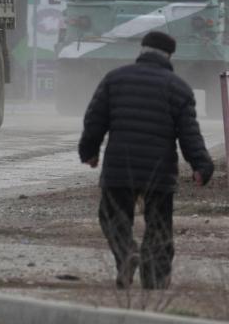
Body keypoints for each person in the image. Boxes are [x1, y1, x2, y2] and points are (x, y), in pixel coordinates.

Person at [79, 31, 214, 290]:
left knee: (113, 218)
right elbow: (190, 134)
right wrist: (201, 166)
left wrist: (89, 152)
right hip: (159, 172)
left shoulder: (114, 79)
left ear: (141, 51)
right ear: (169, 56)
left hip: (119, 167)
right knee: (159, 225)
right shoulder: (179, 88)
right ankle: (155, 278)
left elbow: (94, 120)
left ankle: (127, 253)